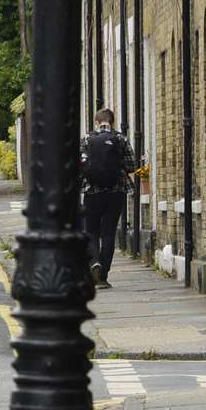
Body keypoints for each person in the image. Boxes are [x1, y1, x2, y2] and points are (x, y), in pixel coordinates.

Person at [80, 107, 136, 289]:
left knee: (91, 232)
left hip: (92, 192)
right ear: (112, 122)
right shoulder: (121, 139)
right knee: (109, 233)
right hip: (116, 191)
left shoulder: (87, 139)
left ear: (97, 122)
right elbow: (131, 165)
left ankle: (94, 262)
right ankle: (103, 277)